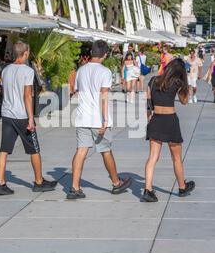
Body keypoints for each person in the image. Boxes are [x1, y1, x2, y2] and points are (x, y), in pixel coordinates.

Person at [68, 40, 132, 200]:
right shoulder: (105, 72)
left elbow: (76, 90)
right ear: (105, 54)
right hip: (98, 119)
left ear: (91, 53)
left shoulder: (81, 70)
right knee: (106, 151)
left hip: (82, 117)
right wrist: (104, 121)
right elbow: (103, 96)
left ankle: (74, 187)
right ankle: (116, 183)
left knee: (81, 151)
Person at [0, 41, 57, 196]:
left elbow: (6, 91)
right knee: (34, 149)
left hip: (7, 113)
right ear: (25, 54)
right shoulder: (27, 71)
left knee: (4, 149)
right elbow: (27, 96)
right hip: (21, 115)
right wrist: (31, 118)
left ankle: (1, 183)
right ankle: (39, 181)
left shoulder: (5, 70)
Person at [142, 58, 195, 202]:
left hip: (156, 119)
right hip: (170, 120)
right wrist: (187, 87)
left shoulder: (153, 80)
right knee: (176, 158)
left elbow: (148, 103)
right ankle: (182, 187)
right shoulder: (178, 82)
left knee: (153, 157)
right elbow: (184, 102)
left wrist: (149, 118)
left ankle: (147, 189)